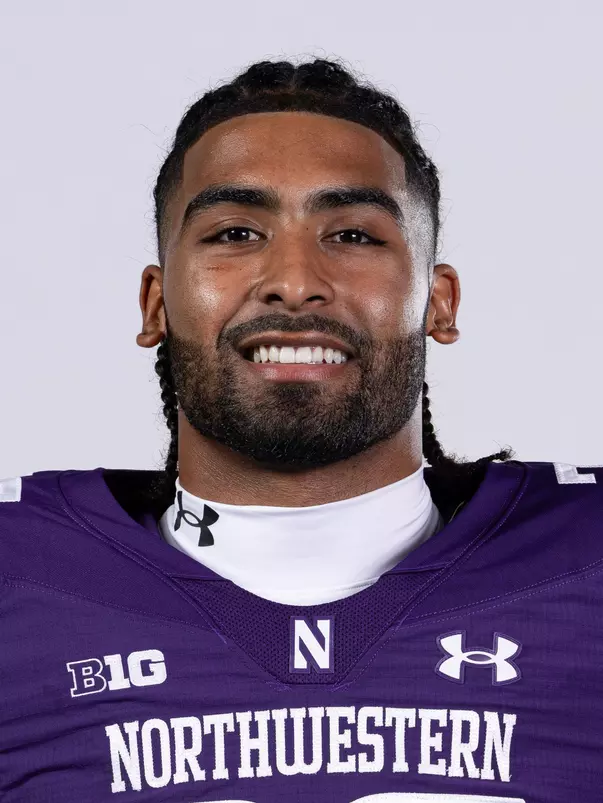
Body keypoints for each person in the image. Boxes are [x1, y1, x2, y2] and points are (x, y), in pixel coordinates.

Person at [1, 57, 601, 803]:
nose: (293, 279)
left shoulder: (583, 561)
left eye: (351, 235)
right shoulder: (19, 577)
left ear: (437, 301)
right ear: (155, 303)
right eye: (236, 231)